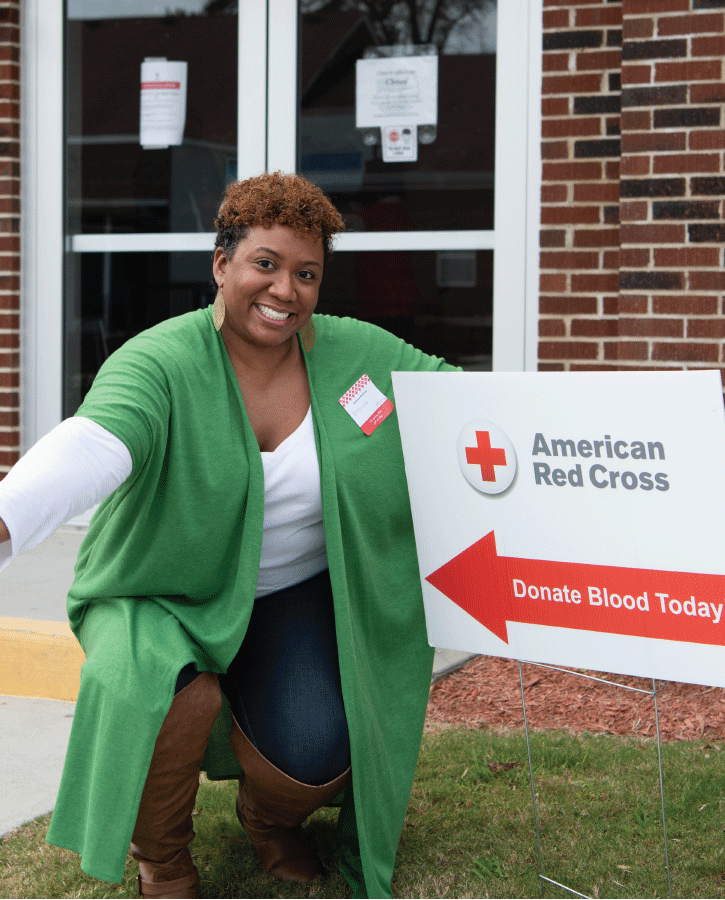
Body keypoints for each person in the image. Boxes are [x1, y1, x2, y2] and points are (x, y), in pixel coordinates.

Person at [0, 172, 456, 899]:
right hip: (158, 591)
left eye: (305, 274)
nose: (284, 291)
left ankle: (267, 818)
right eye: (265, 264)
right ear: (222, 264)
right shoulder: (162, 360)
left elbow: (464, 407)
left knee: (318, 749)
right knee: (159, 690)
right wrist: (8, 516)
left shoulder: (354, 356)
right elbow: (93, 442)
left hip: (287, 594)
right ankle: (165, 857)